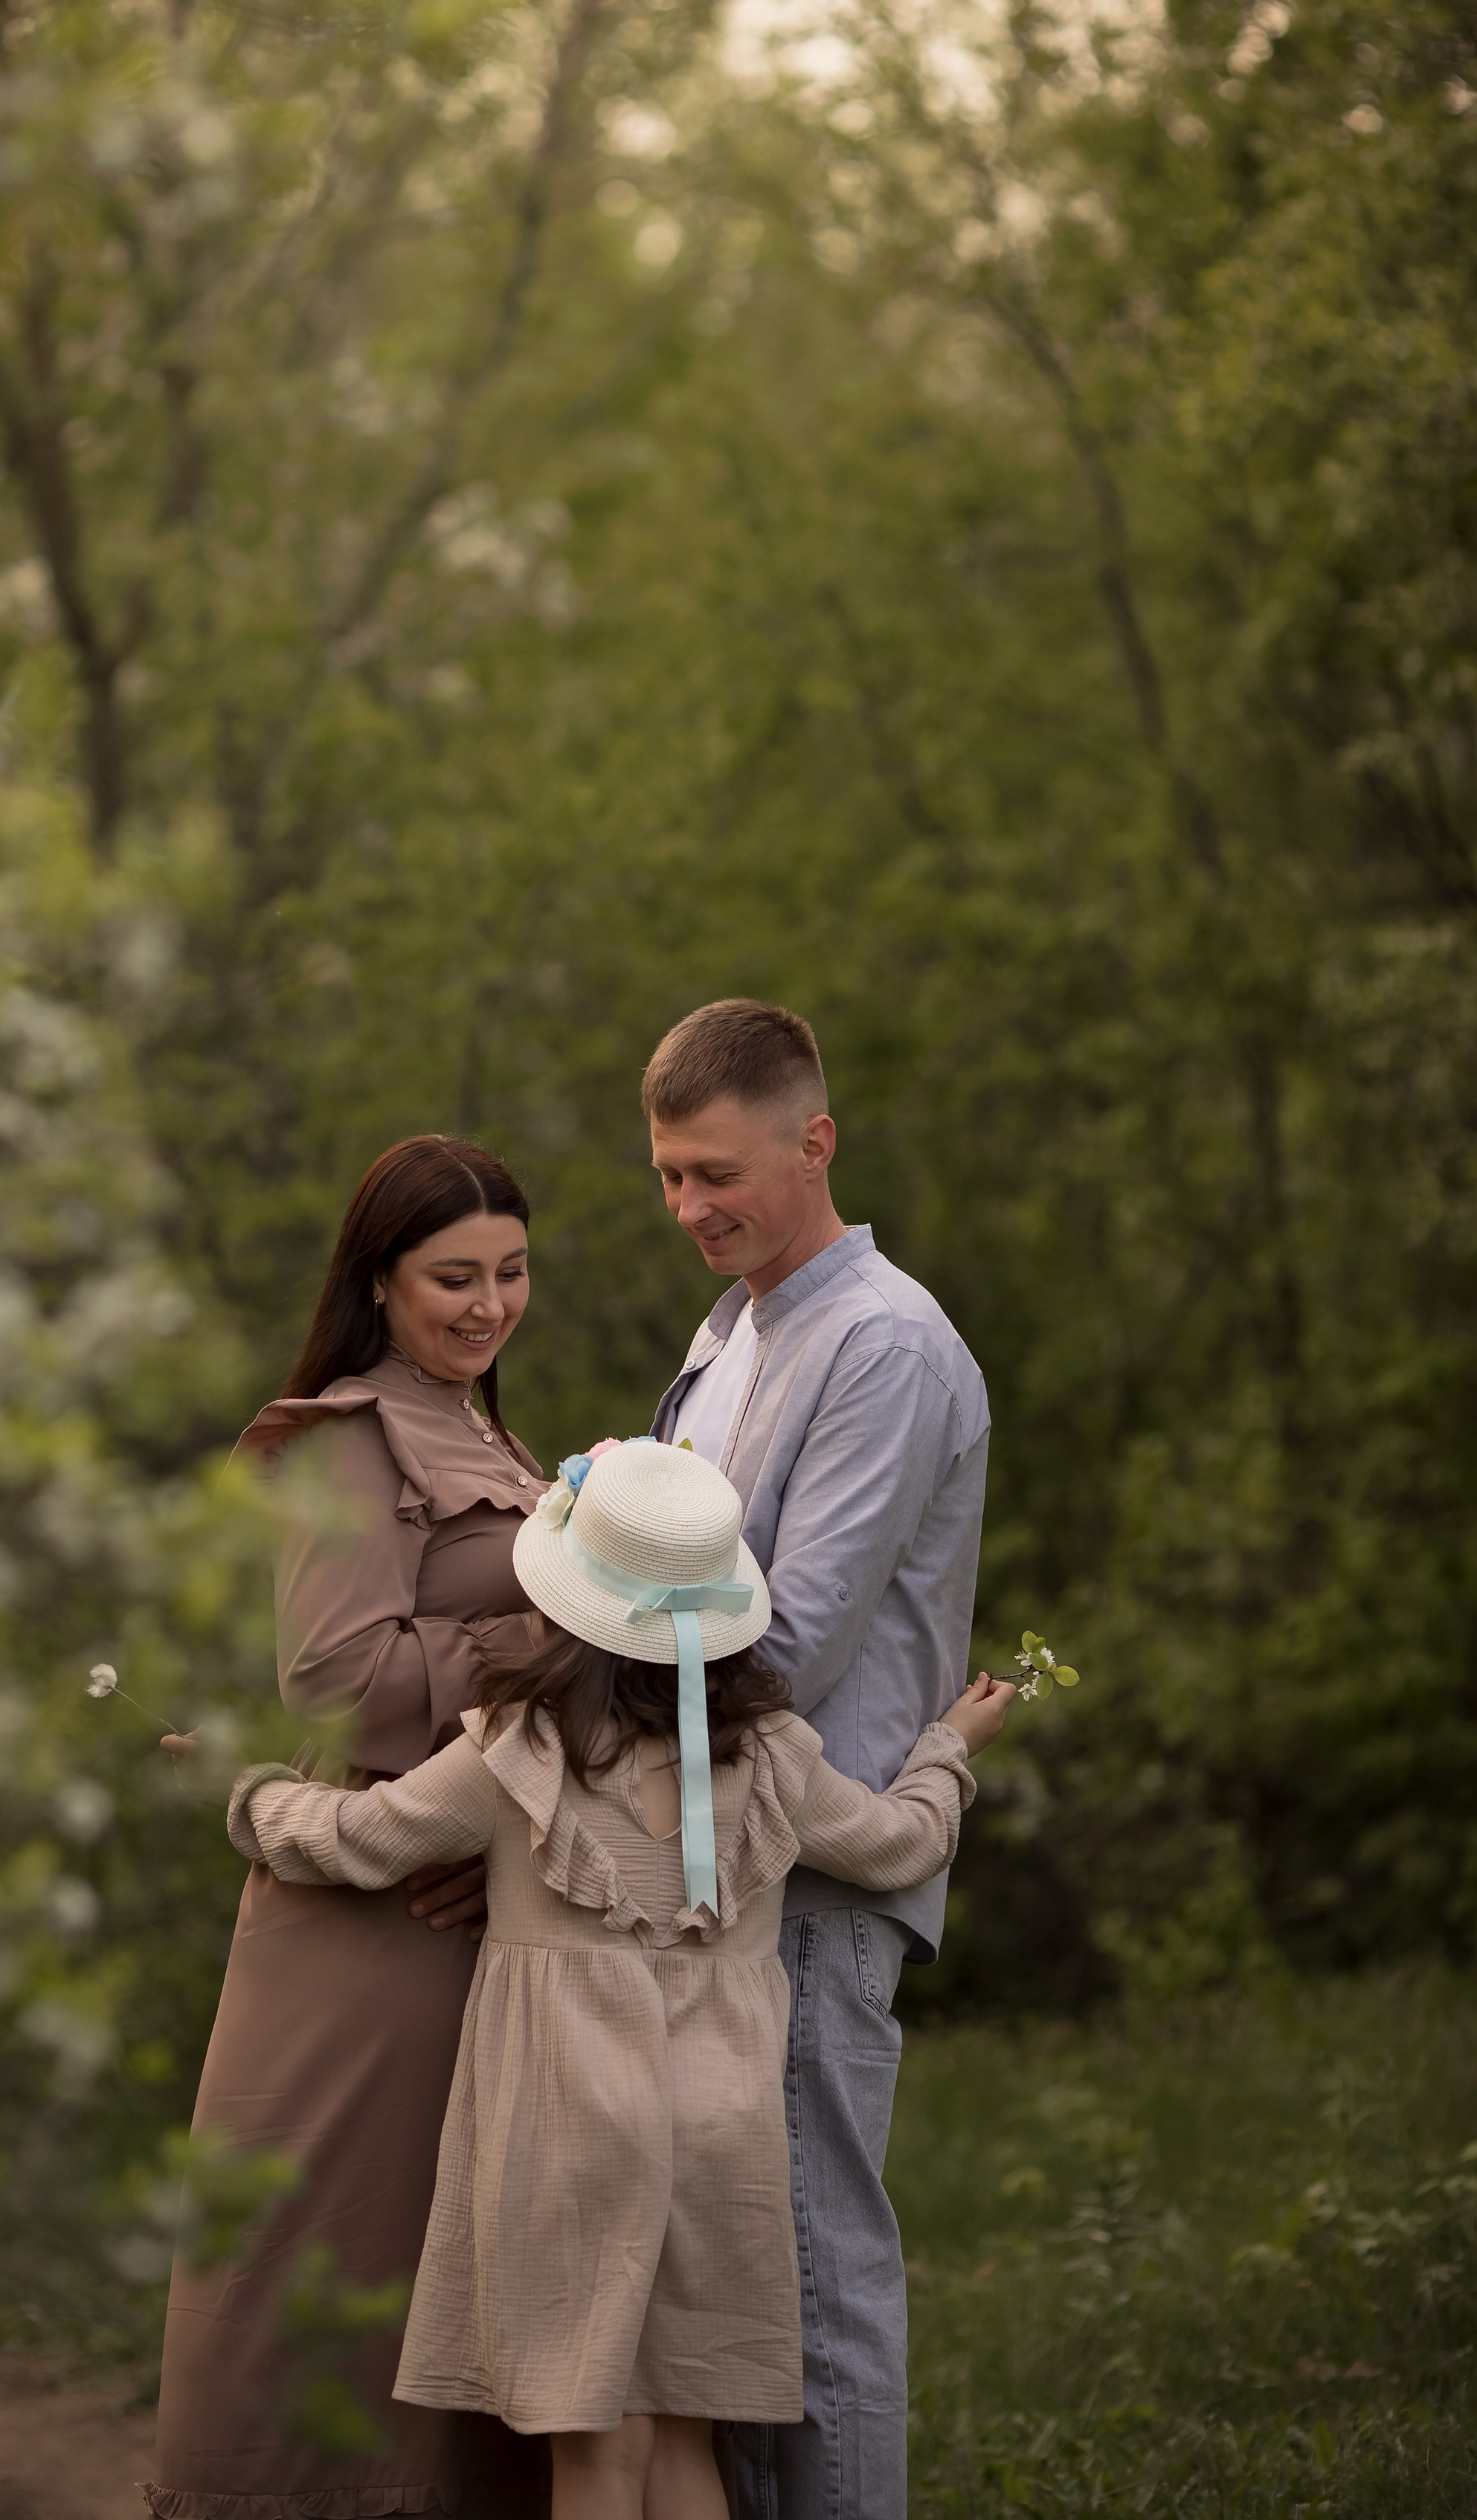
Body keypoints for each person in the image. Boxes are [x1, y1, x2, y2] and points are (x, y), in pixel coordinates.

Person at [227, 1440, 1015, 2520]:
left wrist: (246, 1791)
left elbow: (354, 1838)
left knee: (596, 2454)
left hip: (567, 2130)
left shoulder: (518, 1754)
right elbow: (898, 1847)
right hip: (723, 2131)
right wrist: (949, 1749)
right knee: (683, 2441)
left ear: (564, 1608)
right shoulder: (773, 1754)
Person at [144, 1135, 553, 2520]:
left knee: (445, 2289)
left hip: (453, 1909)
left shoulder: (492, 1430)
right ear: (380, 1281)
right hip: (362, 1940)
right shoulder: (345, 1436)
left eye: (509, 1272)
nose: (488, 1305)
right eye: (453, 1277)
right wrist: (554, 1636)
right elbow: (342, 1687)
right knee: (333, 2271)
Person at [642, 999, 991, 2520]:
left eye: (714, 1171)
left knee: (810, 2267)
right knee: (733, 2283)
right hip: (722, 1871)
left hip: (822, 1875)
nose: (687, 1207)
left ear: (814, 1140)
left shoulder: (883, 1345)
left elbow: (785, 1643)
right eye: (663, 1175)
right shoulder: (730, 1333)